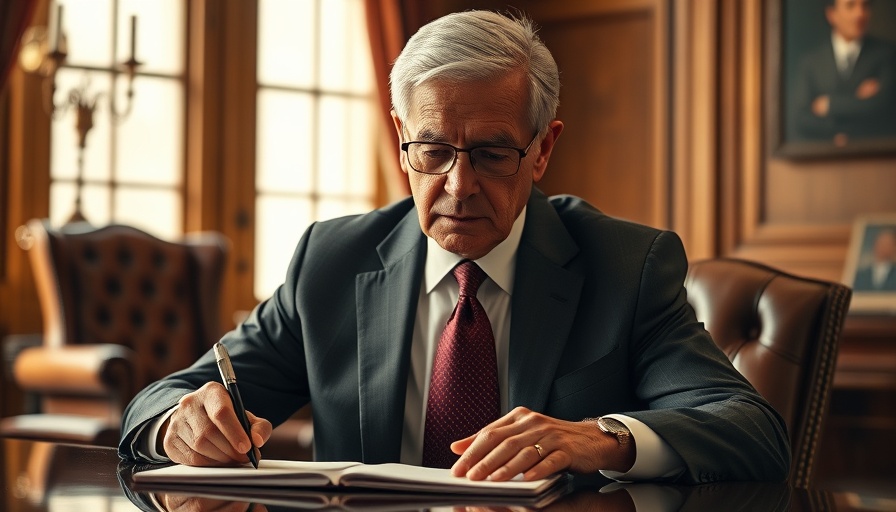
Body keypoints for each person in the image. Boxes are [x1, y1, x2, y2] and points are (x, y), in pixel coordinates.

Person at [119, 10, 789, 485]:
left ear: (543, 149)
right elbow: (169, 398)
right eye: (433, 151)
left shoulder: (625, 268)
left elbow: (751, 430)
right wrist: (177, 426)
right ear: (401, 140)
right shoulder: (333, 263)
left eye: (494, 153)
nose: (459, 186)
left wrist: (603, 438)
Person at [789, 0, 896, 143]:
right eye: (850, 5)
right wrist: (857, 105)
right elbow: (801, 119)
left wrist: (830, 104)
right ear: (831, 14)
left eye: (865, 6)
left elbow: (883, 108)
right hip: (824, 159)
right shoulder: (811, 63)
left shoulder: (887, 54)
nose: (860, 14)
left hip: (873, 156)